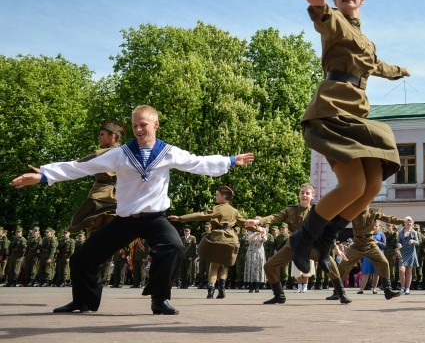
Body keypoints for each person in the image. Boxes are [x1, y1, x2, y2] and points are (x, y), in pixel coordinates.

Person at [9, 104, 254, 315]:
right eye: (135, 125)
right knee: (83, 258)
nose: (138, 130)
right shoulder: (120, 154)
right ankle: (84, 301)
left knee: (174, 246)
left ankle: (160, 299)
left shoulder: (168, 152)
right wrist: (42, 175)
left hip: (154, 218)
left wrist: (231, 160)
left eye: (143, 125)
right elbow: (80, 167)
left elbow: (198, 162)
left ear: (156, 124)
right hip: (125, 219)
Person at [289, 0, 411, 278]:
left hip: (356, 112)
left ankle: (327, 237)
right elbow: (324, 20)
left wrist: (400, 71)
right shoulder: (336, 22)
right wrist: (318, 6)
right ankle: (303, 239)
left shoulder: (366, 41)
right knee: (353, 185)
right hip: (332, 109)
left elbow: (376, 65)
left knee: (371, 186)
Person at [245, 183, 347, 305]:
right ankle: (279, 296)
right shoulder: (290, 210)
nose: (304, 195)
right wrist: (258, 221)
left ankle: (341, 294)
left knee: (331, 264)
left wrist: (336, 248)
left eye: (307, 193)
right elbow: (275, 217)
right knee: (269, 266)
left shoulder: (317, 211)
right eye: (302, 193)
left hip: (312, 246)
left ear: (312, 196)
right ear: (299, 195)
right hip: (293, 246)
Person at [169, 185, 247, 300]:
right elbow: (245, 223)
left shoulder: (217, 208)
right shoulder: (235, 211)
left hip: (218, 239)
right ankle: (221, 291)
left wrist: (181, 218)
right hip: (231, 240)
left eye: (217, 195)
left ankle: (210, 292)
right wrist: (258, 228)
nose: (215, 197)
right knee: (223, 267)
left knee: (214, 266)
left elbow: (200, 215)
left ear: (223, 196)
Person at [66, 121, 126, 235]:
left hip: (100, 196)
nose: (99, 138)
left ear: (112, 136)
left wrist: (44, 173)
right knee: (113, 234)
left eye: (102, 134)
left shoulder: (101, 153)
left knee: (93, 231)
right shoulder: (130, 153)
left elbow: (75, 166)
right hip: (122, 198)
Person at [336, 205, 405, 299]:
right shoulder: (354, 213)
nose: (364, 205)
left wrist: (403, 221)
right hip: (357, 245)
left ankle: (387, 290)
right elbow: (341, 219)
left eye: (366, 202)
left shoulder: (374, 214)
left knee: (384, 263)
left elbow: (389, 218)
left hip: (370, 244)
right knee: (343, 265)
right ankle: (336, 292)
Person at [243, 224, 266, 293]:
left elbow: (265, 240)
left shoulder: (263, 230)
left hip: (259, 252)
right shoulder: (250, 231)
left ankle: (257, 286)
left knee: (258, 268)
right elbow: (249, 240)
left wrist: (262, 234)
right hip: (251, 252)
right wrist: (256, 234)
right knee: (251, 268)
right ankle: (251, 286)